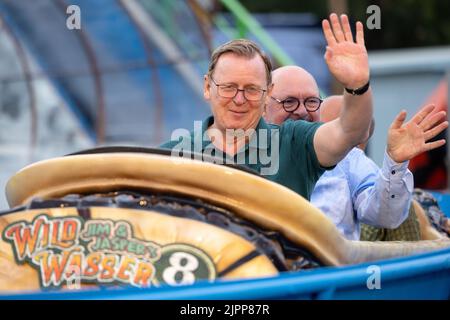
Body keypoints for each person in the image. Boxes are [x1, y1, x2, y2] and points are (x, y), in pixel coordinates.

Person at [161, 14, 373, 201]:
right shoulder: (170, 155)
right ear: (208, 87)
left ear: (268, 94)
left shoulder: (294, 144)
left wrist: (358, 85)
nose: (239, 99)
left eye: (252, 89)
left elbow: (350, 131)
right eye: (228, 87)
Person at [264, 67, 448, 240]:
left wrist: (396, 163)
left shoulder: (348, 160)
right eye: (289, 102)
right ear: (262, 107)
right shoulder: (242, 153)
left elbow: (387, 217)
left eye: (311, 101)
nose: (302, 111)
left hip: (334, 269)